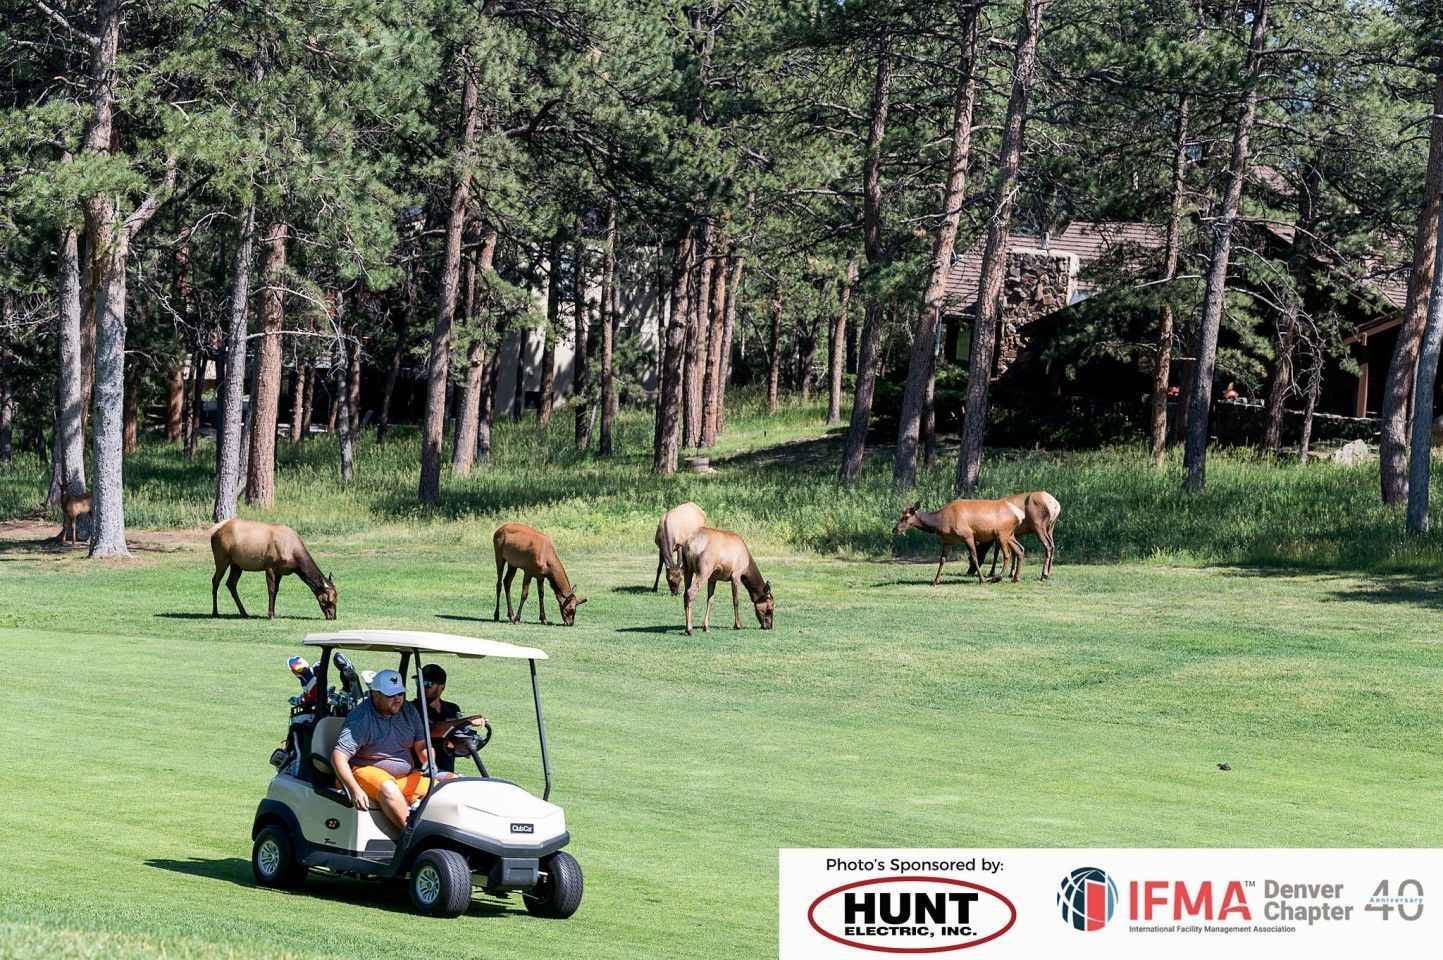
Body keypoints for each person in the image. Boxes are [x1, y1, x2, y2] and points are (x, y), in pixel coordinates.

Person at [331, 669, 448, 830]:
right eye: (391, 695)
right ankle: (410, 840)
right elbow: (338, 757)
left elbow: (421, 746)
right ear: (375, 694)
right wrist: (354, 789)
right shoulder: (361, 718)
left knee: (443, 789)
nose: (398, 699)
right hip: (363, 771)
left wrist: (429, 761)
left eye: (400, 693)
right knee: (389, 788)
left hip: (403, 777)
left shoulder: (408, 711)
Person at [410, 664, 477, 775]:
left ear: (442, 688)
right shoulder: (412, 709)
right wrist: (467, 721)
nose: (421, 687)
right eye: (419, 683)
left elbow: (459, 744)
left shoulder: (452, 709)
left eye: (427, 684)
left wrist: (466, 746)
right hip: (422, 770)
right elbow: (431, 729)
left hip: (445, 770)